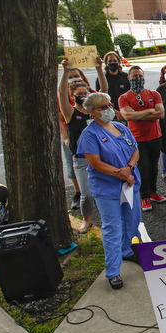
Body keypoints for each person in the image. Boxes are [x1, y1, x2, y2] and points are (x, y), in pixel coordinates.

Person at [76, 92, 141, 290]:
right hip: (107, 188)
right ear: (92, 111)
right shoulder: (89, 135)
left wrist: (129, 168)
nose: (109, 109)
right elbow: (95, 163)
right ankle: (113, 271)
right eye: (103, 107)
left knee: (132, 221)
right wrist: (120, 173)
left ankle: (126, 250)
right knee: (113, 228)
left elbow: (135, 149)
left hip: (129, 183)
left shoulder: (120, 127)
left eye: (110, 105)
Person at [59, 60, 104, 233]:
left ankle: (108, 218)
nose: (84, 96)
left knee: (104, 192)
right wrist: (65, 71)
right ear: (73, 96)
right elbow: (61, 94)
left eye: (86, 93)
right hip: (81, 159)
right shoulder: (70, 112)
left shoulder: (94, 111)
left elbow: (104, 90)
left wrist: (99, 69)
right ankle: (87, 220)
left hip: (100, 157)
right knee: (87, 194)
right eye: (79, 94)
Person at [118, 66, 166, 212]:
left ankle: (153, 192)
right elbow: (127, 116)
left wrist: (137, 114)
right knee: (143, 167)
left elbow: (161, 114)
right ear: (129, 78)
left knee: (153, 166)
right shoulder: (124, 98)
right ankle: (144, 196)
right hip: (137, 139)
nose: (137, 79)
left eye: (140, 76)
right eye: (134, 76)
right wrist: (150, 110)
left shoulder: (154, 94)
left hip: (155, 136)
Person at [97, 51, 130, 121]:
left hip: (125, 111)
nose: (112, 63)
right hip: (109, 112)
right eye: (110, 61)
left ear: (118, 62)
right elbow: (99, 97)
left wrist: (122, 112)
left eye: (115, 61)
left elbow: (130, 94)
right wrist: (115, 112)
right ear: (106, 63)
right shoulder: (101, 79)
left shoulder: (125, 77)